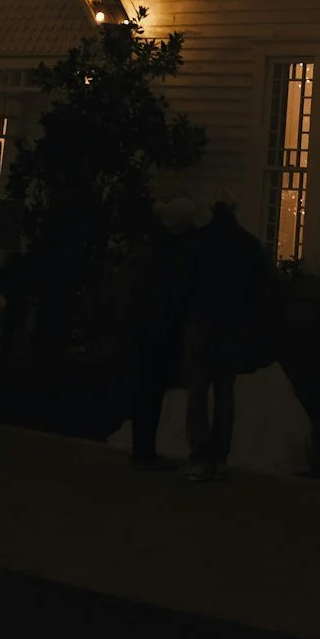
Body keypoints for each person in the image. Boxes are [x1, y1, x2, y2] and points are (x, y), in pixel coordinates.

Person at [183, 189, 269, 482]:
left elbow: (186, 284)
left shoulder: (199, 242)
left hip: (202, 323)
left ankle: (199, 455)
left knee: (197, 391)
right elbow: (259, 292)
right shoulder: (248, 245)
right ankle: (219, 456)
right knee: (224, 393)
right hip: (231, 327)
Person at [128, 196, 197, 472]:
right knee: (153, 388)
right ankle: (145, 449)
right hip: (162, 327)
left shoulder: (153, 249)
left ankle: (142, 447)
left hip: (148, 325)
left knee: (146, 389)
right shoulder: (180, 253)